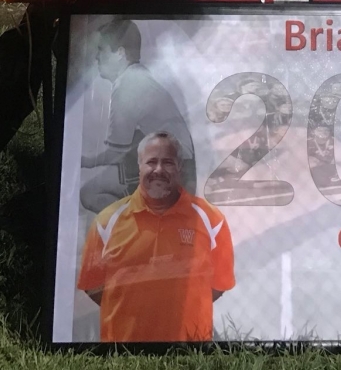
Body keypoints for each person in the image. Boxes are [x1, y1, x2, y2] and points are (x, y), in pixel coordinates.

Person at [78, 132, 235, 342]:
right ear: (139, 165)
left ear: (179, 166)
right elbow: (93, 286)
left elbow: (218, 285)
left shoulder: (212, 221)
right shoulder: (106, 222)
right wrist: (131, 309)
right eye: (151, 162)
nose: (158, 170)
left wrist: (181, 306)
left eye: (168, 162)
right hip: (122, 355)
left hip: (190, 355)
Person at [80, 19, 195, 211]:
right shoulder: (136, 76)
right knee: (97, 188)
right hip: (174, 167)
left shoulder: (127, 85)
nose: (96, 58)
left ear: (120, 53)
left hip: (175, 174)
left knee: (90, 193)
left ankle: (142, 228)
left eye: (101, 50)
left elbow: (116, 152)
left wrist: (85, 161)